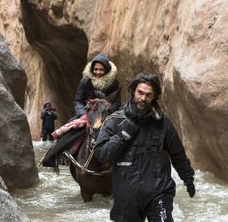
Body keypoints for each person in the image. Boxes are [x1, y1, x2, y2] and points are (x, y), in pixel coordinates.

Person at [94, 73, 196, 222]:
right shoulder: (115, 121)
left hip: (159, 191)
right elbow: (101, 154)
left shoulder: (163, 123)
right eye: (140, 93)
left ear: (154, 97)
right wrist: (125, 133)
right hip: (126, 195)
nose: (143, 98)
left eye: (148, 95)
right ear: (133, 92)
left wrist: (188, 179)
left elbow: (177, 154)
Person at [73, 53, 121, 118]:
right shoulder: (85, 81)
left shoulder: (113, 83)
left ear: (106, 70)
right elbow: (78, 101)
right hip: (86, 114)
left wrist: (107, 113)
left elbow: (116, 103)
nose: (98, 72)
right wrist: (83, 114)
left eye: (101, 70)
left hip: (107, 115)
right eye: (96, 69)